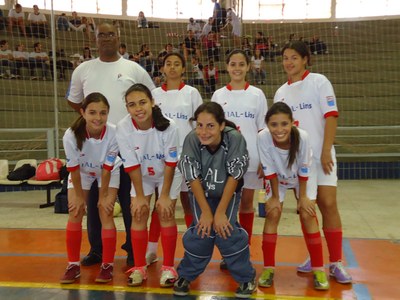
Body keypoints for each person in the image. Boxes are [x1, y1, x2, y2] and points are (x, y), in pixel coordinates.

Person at [66, 22, 156, 268]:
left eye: (111, 34)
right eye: (101, 34)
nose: (106, 38)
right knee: (97, 203)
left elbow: (151, 100)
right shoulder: (83, 70)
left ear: (119, 38)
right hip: (95, 151)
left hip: (129, 149)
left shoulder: (134, 69)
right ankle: (97, 249)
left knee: (131, 203)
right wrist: (96, 123)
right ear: (95, 39)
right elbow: (75, 102)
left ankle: (132, 250)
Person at [274, 40, 352, 284]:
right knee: (306, 210)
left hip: (322, 156)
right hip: (297, 162)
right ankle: (315, 256)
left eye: (294, 57)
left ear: (305, 59)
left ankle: (336, 262)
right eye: (285, 57)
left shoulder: (319, 82)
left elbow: (330, 117)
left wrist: (326, 150)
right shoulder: (281, 92)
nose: (289, 62)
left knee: (328, 204)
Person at [173, 101, 256, 298]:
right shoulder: (192, 140)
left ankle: (246, 277)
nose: (203, 131)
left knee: (226, 231)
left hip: (227, 193)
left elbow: (234, 176)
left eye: (210, 126)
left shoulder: (235, 139)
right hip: (201, 193)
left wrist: (219, 212)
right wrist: (206, 212)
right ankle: (186, 275)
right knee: (201, 232)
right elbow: (192, 178)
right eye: (199, 125)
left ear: (221, 125)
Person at [257, 102, 329, 290]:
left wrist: (303, 196)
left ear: (292, 123)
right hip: (277, 178)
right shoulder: (263, 138)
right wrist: (273, 198)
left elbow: (304, 168)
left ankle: (319, 269)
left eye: (284, 124)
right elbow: (268, 169)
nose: (279, 129)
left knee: (307, 213)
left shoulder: (302, 137)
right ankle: (268, 268)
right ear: (267, 125)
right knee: (272, 213)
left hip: (301, 178)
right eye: (274, 124)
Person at [116, 83, 181, 287]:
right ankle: (139, 267)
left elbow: (171, 163)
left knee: (166, 212)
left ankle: (169, 267)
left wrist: (164, 196)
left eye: (143, 102)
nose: (138, 108)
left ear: (152, 102)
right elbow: (132, 164)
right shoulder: (123, 127)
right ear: (127, 108)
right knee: (138, 212)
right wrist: (142, 197)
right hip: (141, 175)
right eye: (132, 104)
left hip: (167, 174)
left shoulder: (169, 126)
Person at [60, 92, 121, 284]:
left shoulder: (114, 133)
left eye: (103, 113)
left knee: (106, 211)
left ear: (108, 114)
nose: (98, 118)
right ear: (83, 112)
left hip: (108, 171)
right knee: (75, 211)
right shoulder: (70, 135)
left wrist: (103, 196)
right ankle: (73, 265)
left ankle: (107, 265)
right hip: (83, 173)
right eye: (92, 112)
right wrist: (78, 196)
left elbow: (108, 167)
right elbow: (74, 170)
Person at [148, 52, 203, 265]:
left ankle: (192, 250)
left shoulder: (191, 93)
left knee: (188, 204)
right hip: (160, 158)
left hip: (186, 156)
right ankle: (152, 250)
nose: (172, 67)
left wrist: (197, 153)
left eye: (177, 64)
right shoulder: (154, 94)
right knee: (159, 204)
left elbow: (199, 124)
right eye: (168, 64)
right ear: (162, 68)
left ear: (183, 69)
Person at [211, 49, 268, 251]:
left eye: (241, 64)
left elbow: (263, 129)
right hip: (225, 160)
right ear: (227, 67)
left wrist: (265, 160)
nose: (237, 68)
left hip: (252, 159)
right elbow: (212, 129)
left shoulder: (257, 94)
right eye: (233, 64)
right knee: (227, 206)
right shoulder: (218, 95)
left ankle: (244, 247)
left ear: (248, 67)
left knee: (246, 204)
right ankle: (229, 250)